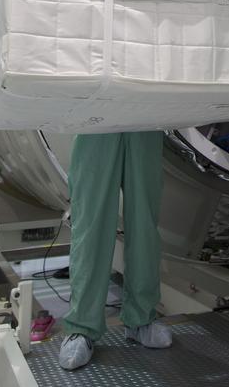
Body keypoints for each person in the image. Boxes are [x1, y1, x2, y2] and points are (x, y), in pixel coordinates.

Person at [59, 130, 173, 371]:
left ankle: (141, 319)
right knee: (91, 225)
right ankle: (81, 328)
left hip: (145, 115)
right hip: (99, 113)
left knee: (144, 224)